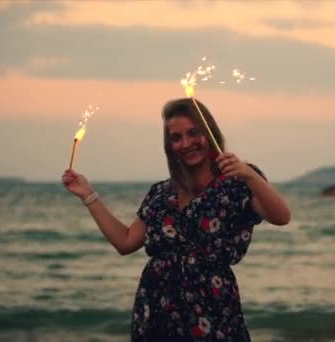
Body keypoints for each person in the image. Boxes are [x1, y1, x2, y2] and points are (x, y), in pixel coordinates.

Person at [62, 98, 291, 341]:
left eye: (194, 133)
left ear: (209, 133)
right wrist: (88, 195)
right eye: (176, 137)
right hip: (155, 308)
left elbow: (281, 216)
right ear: (169, 145)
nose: (186, 143)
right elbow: (126, 242)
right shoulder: (161, 193)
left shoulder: (237, 182)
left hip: (211, 309)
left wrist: (249, 174)